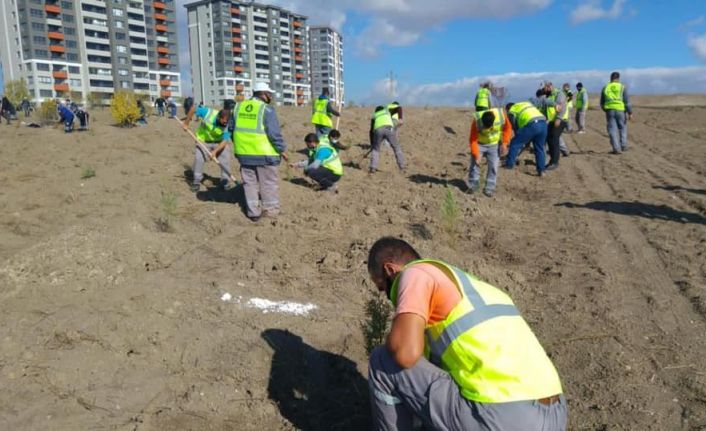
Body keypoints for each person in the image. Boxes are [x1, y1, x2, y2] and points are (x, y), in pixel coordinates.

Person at [366, 237, 567, 431]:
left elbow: (405, 353)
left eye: (383, 288)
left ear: (390, 269)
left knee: (383, 360)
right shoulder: (478, 289)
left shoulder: (415, 274)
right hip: (555, 414)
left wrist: (395, 335)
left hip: (503, 417)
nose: (388, 296)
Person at [215, 81, 287, 221]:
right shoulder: (266, 109)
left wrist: (241, 146)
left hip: (244, 154)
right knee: (268, 183)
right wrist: (282, 149)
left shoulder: (237, 108)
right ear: (263, 94)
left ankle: (253, 213)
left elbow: (230, 130)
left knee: (250, 184)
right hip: (265, 154)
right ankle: (271, 212)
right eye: (269, 94)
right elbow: (274, 133)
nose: (270, 96)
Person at [182, 104, 234, 193]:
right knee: (199, 159)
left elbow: (225, 141)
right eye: (224, 121)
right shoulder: (208, 113)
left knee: (225, 159)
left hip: (219, 142)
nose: (225, 124)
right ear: (219, 117)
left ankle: (225, 182)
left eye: (227, 122)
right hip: (203, 140)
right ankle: (196, 182)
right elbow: (193, 108)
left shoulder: (229, 124)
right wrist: (186, 123)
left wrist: (215, 151)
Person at [468, 107, 512, 197]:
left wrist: (505, 143)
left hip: (494, 145)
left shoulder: (501, 115)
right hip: (480, 144)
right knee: (474, 164)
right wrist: (476, 153)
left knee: (493, 166)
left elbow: (508, 128)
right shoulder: (477, 121)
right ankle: (473, 185)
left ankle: (489, 188)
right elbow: (473, 139)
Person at [503, 101, 547, 176]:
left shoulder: (512, 110)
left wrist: (519, 137)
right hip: (543, 123)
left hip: (532, 124)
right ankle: (541, 170)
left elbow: (513, 125)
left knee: (514, 143)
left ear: (507, 109)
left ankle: (509, 164)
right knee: (539, 148)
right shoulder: (526, 104)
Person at [600, 71, 633, 154]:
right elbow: (627, 101)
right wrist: (630, 112)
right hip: (621, 110)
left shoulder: (605, 87)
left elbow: (602, 102)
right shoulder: (622, 87)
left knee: (612, 130)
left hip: (610, 111)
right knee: (622, 128)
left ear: (611, 78)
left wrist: (606, 109)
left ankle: (616, 148)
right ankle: (624, 146)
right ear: (618, 78)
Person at [369, 105, 406, 174]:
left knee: (375, 150)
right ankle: (402, 166)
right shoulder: (387, 111)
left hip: (378, 130)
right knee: (396, 148)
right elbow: (399, 107)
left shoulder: (374, 116)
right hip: (389, 129)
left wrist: (372, 144)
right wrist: (400, 118)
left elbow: (371, 131)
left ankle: (373, 167)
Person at [543, 82, 568, 170]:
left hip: (559, 120)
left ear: (549, 86)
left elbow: (561, 106)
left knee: (554, 140)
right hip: (551, 121)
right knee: (550, 140)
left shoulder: (559, 94)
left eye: (545, 88)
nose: (544, 90)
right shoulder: (549, 95)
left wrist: (559, 118)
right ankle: (552, 161)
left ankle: (554, 162)